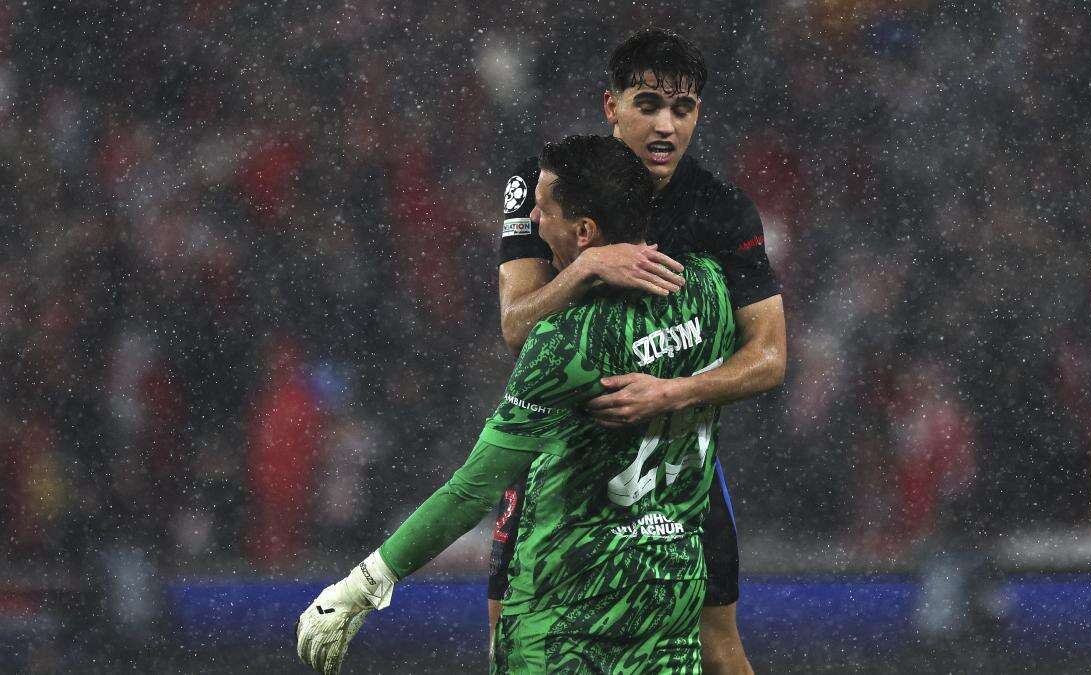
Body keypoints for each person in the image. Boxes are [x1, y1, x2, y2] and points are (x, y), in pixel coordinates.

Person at [297, 135, 737, 674]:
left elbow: (471, 490)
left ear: (584, 233)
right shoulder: (711, 290)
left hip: (566, 617)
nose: (531, 216)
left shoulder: (567, 342)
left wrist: (360, 588)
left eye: (543, 209)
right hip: (666, 611)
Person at [492, 27, 786, 674]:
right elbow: (519, 328)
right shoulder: (543, 183)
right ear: (611, 106)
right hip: (558, 449)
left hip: (670, 456)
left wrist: (671, 392)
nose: (665, 125)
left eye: (682, 109)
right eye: (647, 103)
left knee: (717, 643)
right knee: (512, 632)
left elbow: (770, 355)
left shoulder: (720, 211)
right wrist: (588, 266)